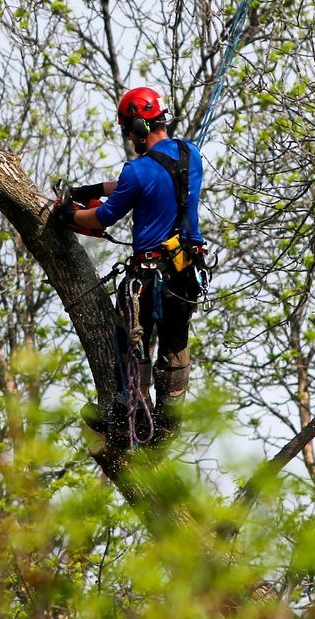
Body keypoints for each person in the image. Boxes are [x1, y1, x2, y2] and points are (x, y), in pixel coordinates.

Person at [53, 86, 205, 436]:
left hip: (151, 277)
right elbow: (138, 184)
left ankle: (128, 417)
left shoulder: (138, 171)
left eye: (128, 130)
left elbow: (104, 217)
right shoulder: (190, 153)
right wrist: (89, 189)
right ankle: (166, 425)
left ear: (137, 127)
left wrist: (69, 215)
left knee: (129, 342)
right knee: (175, 343)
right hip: (185, 274)